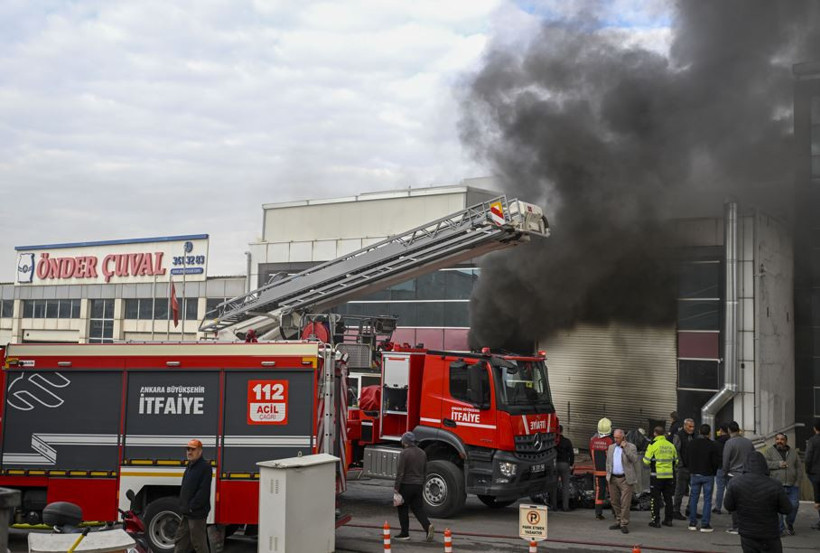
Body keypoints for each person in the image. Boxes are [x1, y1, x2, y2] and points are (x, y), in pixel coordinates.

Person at [724, 451, 791, 553]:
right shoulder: (775, 484)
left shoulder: (735, 483)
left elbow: (729, 506)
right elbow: (787, 509)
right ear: (764, 465)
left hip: (747, 532)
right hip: (770, 532)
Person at [394, 431, 434, 542]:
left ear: (405, 442)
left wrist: (396, 487)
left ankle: (404, 533)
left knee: (402, 508)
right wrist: (422, 482)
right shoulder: (422, 453)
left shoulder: (404, 453)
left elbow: (400, 472)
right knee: (418, 508)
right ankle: (427, 526)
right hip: (418, 485)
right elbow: (425, 470)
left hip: (406, 485)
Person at [175, 439, 212, 553]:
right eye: (188, 449)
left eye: (193, 449)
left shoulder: (205, 467)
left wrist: (192, 507)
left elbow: (203, 492)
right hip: (187, 513)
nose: (189, 452)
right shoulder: (190, 466)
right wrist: (183, 506)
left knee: (199, 544)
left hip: (196, 514)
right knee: (180, 541)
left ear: (200, 451)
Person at [763, 433, 802, 536]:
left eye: (782, 439)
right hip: (776, 484)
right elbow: (765, 464)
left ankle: (789, 524)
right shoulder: (769, 451)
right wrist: (778, 464)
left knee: (794, 505)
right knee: (777, 508)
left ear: (786, 441)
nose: (779, 441)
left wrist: (797, 481)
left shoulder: (793, 452)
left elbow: (798, 467)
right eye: (777, 439)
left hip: (792, 485)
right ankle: (780, 529)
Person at [722, 421, 755, 534]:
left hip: (733, 475)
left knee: (735, 502)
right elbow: (753, 457)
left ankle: (736, 526)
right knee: (746, 501)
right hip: (747, 475)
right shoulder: (748, 442)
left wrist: (724, 473)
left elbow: (725, 461)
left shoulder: (729, 443)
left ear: (729, 430)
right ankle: (747, 525)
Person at [686, 423, 719, 532]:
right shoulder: (712, 445)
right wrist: (713, 472)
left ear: (699, 432)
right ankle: (705, 524)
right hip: (708, 475)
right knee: (707, 500)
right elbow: (715, 462)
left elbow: (687, 458)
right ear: (709, 433)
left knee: (694, 499)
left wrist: (691, 469)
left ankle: (692, 523)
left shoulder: (691, 443)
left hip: (694, 474)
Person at [643, 425, 678, 528]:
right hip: (669, 477)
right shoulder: (670, 445)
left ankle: (656, 521)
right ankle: (668, 520)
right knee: (668, 499)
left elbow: (646, 461)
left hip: (656, 477)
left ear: (655, 433)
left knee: (655, 499)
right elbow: (676, 461)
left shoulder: (653, 445)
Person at [606, 429, 640, 534]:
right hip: (613, 478)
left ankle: (624, 523)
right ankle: (618, 520)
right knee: (614, 501)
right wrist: (608, 474)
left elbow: (634, 459)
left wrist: (625, 448)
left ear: (623, 437)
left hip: (625, 479)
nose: (615, 439)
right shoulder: (611, 447)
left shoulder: (631, 447)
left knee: (625, 503)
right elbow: (608, 462)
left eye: (618, 438)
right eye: (614, 437)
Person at [589, 417, 614, 520]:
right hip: (609, 472)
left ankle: (598, 513)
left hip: (598, 472)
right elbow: (613, 456)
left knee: (599, 492)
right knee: (613, 492)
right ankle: (616, 513)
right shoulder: (610, 441)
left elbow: (590, 454)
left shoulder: (592, 441)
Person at [673, 418, 695, 520]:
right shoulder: (679, 435)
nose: (692, 429)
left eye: (693, 426)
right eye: (690, 426)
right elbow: (676, 451)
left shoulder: (693, 436)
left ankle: (690, 510)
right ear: (685, 426)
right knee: (680, 490)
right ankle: (676, 511)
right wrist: (680, 465)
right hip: (682, 468)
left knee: (694, 490)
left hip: (692, 467)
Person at [553, 425, 574, 512]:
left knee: (554, 486)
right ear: (562, 431)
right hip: (565, 464)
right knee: (565, 486)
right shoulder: (567, 441)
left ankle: (554, 506)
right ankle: (565, 507)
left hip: (554, 465)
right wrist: (571, 464)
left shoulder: (553, 441)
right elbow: (571, 454)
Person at [805, 419, 820, 530]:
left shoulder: (813, 440)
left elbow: (808, 457)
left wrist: (807, 470)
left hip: (816, 473)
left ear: (815, 428)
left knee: (818, 498)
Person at [712, 423, 730, 515]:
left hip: (720, 467)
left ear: (722, 431)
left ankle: (718, 508)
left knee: (720, 489)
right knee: (730, 488)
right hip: (730, 468)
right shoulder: (731, 441)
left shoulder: (717, 442)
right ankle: (731, 508)